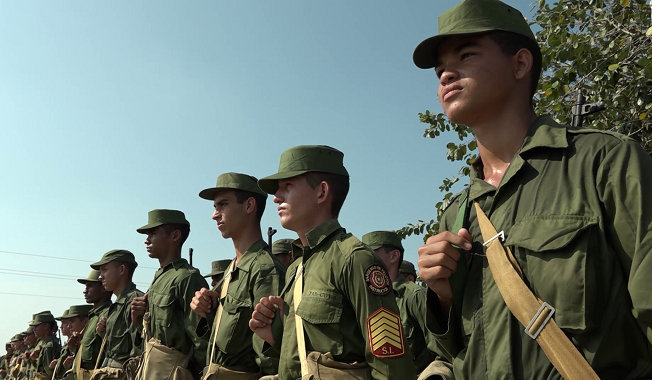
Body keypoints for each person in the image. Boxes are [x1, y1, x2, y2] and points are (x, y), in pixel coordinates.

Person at [412, 0, 652, 378]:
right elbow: (461, 351)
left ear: (520, 64)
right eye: (440, 68)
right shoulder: (459, 212)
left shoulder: (604, 162)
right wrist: (443, 296)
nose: (445, 75)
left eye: (466, 54)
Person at [249, 145, 416, 380]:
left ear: (321, 192)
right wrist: (275, 333)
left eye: (287, 186)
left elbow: (390, 366)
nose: (276, 197)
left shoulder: (355, 259)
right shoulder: (297, 268)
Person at [191, 172, 286, 379]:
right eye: (215, 207)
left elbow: (271, 360)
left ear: (249, 206)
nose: (214, 215)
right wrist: (208, 312)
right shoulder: (233, 269)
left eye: (222, 205)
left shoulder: (263, 268)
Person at [130, 209, 209, 379]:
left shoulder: (187, 278)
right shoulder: (159, 277)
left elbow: (201, 342)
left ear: (175, 236)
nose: (146, 240)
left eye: (153, 233)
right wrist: (138, 320)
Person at [362, 231, 434, 374]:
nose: (364, 259)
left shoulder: (414, 295)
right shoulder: (365, 298)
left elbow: (440, 350)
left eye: (371, 252)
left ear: (394, 256)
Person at [90, 250, 144, 377]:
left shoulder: (134, 301)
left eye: (104, 270)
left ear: (121, 270)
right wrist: (103, 333)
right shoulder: (116, 305)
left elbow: (139, 352)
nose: (100, 276)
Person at [75, 270, 112, 380]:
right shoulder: (93, 316)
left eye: (89, 287)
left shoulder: (108, 314)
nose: (84, 291)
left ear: (104, 288)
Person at [30, 312, 62, 380]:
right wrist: (33, 360)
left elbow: (49, 374)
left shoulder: (49, 346)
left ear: (46, 326)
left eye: (37, 326)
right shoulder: (47, 344)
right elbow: (42, 369)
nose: (34, 329)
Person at [50, 311, 72, 380]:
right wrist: (59, 362)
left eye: (64, 323)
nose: (61, 326)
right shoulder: (66, 345)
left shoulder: (75, 344)